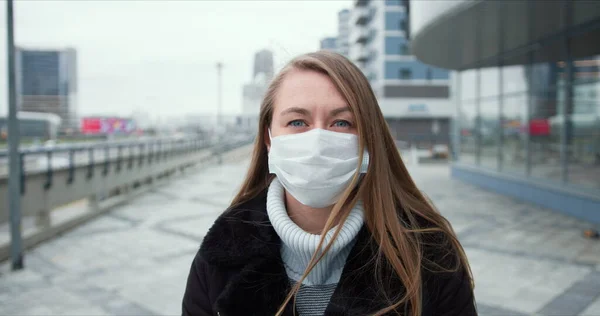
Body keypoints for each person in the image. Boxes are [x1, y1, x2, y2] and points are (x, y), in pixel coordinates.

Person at [182, 51, 477, 316]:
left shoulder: (429, 255)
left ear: (368, 139)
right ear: (269, 140)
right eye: (297, 122)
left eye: (342, 123)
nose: (318, 141)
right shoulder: (218, 255)